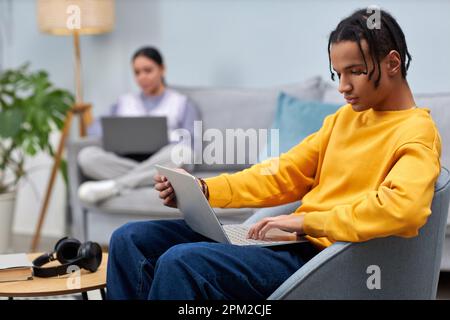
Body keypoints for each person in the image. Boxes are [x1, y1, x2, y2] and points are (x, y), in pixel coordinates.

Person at [106, 8, 441, 299]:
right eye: (337, 74)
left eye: (355, 71)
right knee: (130, 239)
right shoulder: (344, 119)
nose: (343, 86)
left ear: (392, 63)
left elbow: (404, 208)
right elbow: (282, 173)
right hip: (290, 244)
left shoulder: (415, 131)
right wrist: (207, 190)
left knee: (181, 262)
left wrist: (305, 221)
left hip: (322, 261)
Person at [77, 46, 200, 204]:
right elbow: (94, 129)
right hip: (126, 160)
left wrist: (170, 141)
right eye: (137, 72)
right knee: (86, 156)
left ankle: (115, 186)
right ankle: (141, 178)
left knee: (182, 152)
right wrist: (117, 133)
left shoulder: (182, 103)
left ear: (162, 69)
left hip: (162, 159)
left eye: (148, 70)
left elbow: (192, 142)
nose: (142, 77)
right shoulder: (124, 102)